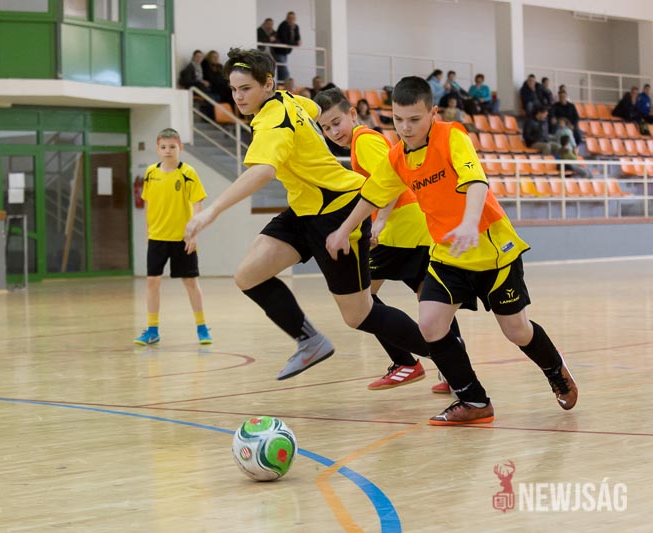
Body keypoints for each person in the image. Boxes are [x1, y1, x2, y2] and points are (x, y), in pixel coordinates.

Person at [325, 76, 578, 425]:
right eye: (398, 119)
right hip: (446, 254)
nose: (405, 128)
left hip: (492, 248)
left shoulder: (452, 136)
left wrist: (469, 222)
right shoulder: (398, 156)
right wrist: (343, 231)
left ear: (433, 113)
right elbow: (373, 194)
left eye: (415, 119)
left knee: (516, 330)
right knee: (430, 324)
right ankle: (474, 400)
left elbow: (475, 182)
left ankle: (554, 368)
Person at [184, 48, 429, 381]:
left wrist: (211, 211)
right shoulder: (290, 100)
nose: (238, 96)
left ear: (267, 84)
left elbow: (263, 171)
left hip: (337, 210)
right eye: (233, 89)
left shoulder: (272, 120)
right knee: (248, 275)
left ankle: (445, 351)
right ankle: (309, 340)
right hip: (304, 210)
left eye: (245, 88)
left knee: (359, 314)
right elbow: (313, 108)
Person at [316, 87, 467, 392]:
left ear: (353, 114)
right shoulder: (362, 141)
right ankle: (455, 373)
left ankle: (405, 362)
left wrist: (380, 222)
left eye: (336, 122)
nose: (333, 132)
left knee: (360, 301)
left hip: (400, 228)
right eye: (326, 128)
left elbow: (391, 182)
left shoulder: (364, 140)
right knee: (431, 298)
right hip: (415, 225)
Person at [134, 128, 213, 346]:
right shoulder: (150, 172)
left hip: (182, 239)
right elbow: (148, 202)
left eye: (172, 146)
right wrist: (148, 231)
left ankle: (202, 328)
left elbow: (198, 203)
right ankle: (152, 330)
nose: (168, 150)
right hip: (157, 238)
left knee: (190, 282)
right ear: (157, 149)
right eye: (163, 147)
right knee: (152, 282)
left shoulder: (188, 172)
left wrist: (193, 233)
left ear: (180, 147)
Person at [273, 11, 301, 83]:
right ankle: (286, 84)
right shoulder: (283, 25)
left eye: (293, 18)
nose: (291, 20)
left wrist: (296, 42)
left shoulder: (295, 27)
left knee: (281, 70)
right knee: (284, 71)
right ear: (287, 18)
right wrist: (295, 43)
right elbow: (284, 40)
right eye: (289, 18)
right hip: (279, 51)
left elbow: (298, 38)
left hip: (285, 52)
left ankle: (281, 84)